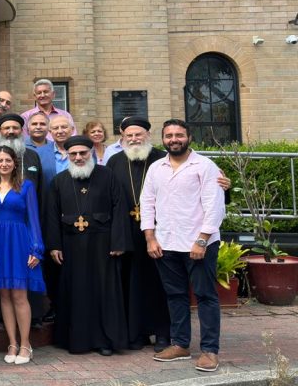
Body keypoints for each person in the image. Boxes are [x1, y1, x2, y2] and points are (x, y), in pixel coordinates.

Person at [140, 119, 226, 372]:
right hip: (166, 243)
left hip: (198, 244)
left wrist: (202, 240)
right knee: (175, 296)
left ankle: (210, 350)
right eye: (169, 135)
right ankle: (180, 344)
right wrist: (150, 237)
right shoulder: (156, 168)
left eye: (179, 135)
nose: (173, 139)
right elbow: (147, 203)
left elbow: (214, 206)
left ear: (189, 137)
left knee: (205, 296)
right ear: (163, 139)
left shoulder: (205, 166)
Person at [46, 136, 129, 355]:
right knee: (76, 292)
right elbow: (52, 215)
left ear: (91, 153)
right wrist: (54, 245)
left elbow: (119, 209)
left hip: (103, 245)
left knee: (103, 292)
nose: (79, 157)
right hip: (71, 246)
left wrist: (118, 241)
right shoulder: (59, 180)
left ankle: (104, 340)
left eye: (83, 153)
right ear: (67, 156)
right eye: (73, 154)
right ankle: (76, 341)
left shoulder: (108, 176)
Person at [106, 116, 172, 351]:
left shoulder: (162, 160)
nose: (134, 139)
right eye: (129, 136)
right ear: (122, 138)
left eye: (138, 135)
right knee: (131, 284)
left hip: (159, 231)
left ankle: (164, 333)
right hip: (127, 232)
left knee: (159, 283)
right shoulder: (114, 161)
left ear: (148, 136)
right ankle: (137, 333)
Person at [0, 146, 45, 365]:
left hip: (19, 243)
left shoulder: (26, 186)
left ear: (15, 163)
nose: (4, 164)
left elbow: (33, 219)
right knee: (4, 296)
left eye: (8, 160)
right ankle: (12, 343)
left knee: (19, 295)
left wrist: (36, 249)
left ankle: (26, 344)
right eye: (0, 161)